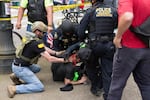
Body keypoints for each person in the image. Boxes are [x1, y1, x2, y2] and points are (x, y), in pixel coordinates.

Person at [7, 21, 68, 98]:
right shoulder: (36, 43)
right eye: (43, 33)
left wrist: (56, 53)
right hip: (20, 68)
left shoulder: (29, 37)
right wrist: (63, 60)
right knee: (39, 87)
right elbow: (49, 59)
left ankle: (15, 75)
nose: (43, 35)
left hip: (18, 64)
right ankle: (14, 88)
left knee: (37, 68)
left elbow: (43, 48)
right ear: (37, 31)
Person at [107, 0, 150, 100]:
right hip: (147, 47)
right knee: (146, 85)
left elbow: (127, 17)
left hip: (128, 48)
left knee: (116, 86)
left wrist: (118, 37)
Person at [78, 0, 118, 99]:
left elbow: (80, 31)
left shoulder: (90, 11)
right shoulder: (114, 11)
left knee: (91, 66)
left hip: (94, 45)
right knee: (108, 70)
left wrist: (83, 40)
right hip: (109, 45)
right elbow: (117, 25)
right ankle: (108, 95)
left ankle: (96, 87)